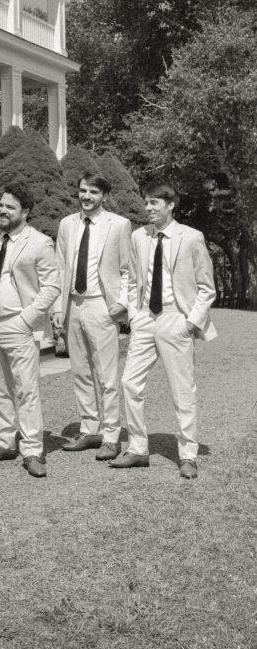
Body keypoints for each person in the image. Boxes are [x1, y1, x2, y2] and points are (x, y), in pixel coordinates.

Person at [110, 181, 217, 478]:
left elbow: (207, 288)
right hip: (145, 318)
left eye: (154, 203)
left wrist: (190, 323)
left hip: (175, 318)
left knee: (182, 390)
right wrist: (134, 313)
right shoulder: (138, 237)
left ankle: (188, 455)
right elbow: (131, 279)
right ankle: (137, 449)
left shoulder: (192, 237)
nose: (148, 208)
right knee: (130, 382)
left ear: (171, 205)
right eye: (147, 202)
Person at [0, 182, 60, 479]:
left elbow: (52, 287)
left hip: (18, 324)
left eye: (10, 207)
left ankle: (32, 449)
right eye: (1, 205)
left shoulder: (39, 242)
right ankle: (5, 441)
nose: (2, 211)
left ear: (26, 212)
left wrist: (27, 319)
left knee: (26, 389)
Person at [55, 172, 131, 462]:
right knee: (81, 372)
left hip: (102, 305)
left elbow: (127, 270)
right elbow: (60, 268)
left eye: (93, 192)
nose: (86, 197)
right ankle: (90, 430)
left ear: (104, 196)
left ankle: (111, 436)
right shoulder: (66, 224)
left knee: (107, 376)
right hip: (73, 304)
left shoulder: (119, 225)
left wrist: (120, 305)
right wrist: (57, 310)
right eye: (83, 191)